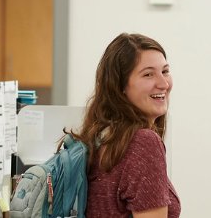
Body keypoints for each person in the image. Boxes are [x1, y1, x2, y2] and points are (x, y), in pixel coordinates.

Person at [74, 33, 181, 218]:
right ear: (120, 85)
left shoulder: (102, 135)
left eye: (165, 71)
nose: (163, 83)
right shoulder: (142, 143)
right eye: (148, 74)